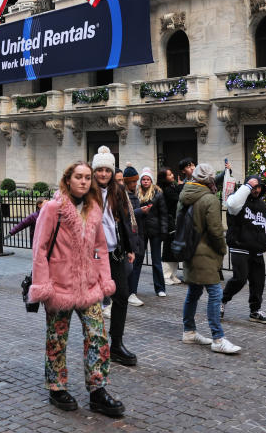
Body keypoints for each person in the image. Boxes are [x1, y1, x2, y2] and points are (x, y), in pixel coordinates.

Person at [28, 161, 125, 418]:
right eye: (78, 177)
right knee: (57, 340)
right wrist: (43, 286)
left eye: (87, 177)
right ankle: (56, 387)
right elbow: (39, 248)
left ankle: (98, 391)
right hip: (59, 287)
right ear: (68, 179)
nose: (83, 181)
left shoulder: (94, 208)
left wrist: (104, 280)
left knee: (98, 337)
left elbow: (101, 248)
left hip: (89, 287)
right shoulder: (53, 208)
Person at [179, 164, 241, 354]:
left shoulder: (185, 195)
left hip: (189, 250)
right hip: (205, 253)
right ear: (210, 179)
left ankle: (189, 331)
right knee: (215, 293)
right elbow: (215, 230)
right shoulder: (209, 199)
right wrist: (222, 249)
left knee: (194, 291)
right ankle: (218, 338)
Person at [91, 146, 142, 367]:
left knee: (121, 296)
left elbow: (125, 219)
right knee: (91, 301)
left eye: (107, 170)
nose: (103, 174)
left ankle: (117, 343)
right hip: (93, 255)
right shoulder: (87, 191)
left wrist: (130, 247)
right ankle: (95, 344)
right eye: (99, 169)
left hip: (115, 252)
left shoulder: (117, 191)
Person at [222, 175, 266, 324]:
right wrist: (247, 187)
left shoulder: (262, 204)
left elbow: (265, 224)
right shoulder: (237, 200)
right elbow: (231, 205)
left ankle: (255, 310)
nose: (256, 190)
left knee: (258, 282)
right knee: (240, 278)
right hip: (240, 246)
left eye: (258, 187)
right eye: (253, 187)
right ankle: (221, 301)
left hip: (257, 248)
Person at [128, 168, 169, 298]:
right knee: (138, 260)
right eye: (143, 180)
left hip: (155, 230)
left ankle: (160, 288)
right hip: (141, 231)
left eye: (148, 179)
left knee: (156, 260)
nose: (145, 182)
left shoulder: (158, 193)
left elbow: (163, 214)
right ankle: (132, 289)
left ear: (151, 181)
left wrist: (164, 231)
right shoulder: (136, 192)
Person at [120, 166, 144, 307]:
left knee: (137, 265)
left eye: (136, 181)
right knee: (131, 266)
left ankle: (132, 291)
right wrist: (141, 210)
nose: (135, 184)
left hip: (138, 233)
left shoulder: (135, 194)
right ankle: (130, 292)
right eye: (133, 181)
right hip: (131, 234)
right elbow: (127, 215)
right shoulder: (124, 195)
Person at [157, 167, 184, 285]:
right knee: (168, 248)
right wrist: (181, 186)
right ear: (164, 178)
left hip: (174, 221)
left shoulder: (171, 187)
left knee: (174, 248)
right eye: (169, 175)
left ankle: (173, 274)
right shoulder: (166, 190)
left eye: (171, 173)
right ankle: (166, 275)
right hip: (168, 223)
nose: (172, 175)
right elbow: (177, 197)